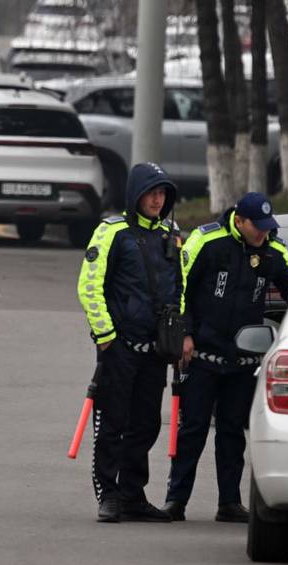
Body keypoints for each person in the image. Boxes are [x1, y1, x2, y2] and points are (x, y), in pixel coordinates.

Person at [162, 192, 288, 522]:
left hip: (244, 359)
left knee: (232, 432)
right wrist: (185, 335)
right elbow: (179, 287)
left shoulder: (273, 250)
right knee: (192, 429)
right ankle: (175, 500)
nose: (263, 234)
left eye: (268, 227)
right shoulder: (207, 240)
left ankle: (229, 503)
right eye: (258, 227)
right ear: (240, 221)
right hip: (202, 355)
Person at [77, 162, 181, 523]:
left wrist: (177, 335)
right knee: (111, 424)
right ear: (136, 194)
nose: (157, 199)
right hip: (118, 349)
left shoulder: (170, 234)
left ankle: (132, 494)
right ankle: (108, 495)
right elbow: (88, 285)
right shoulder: (111, 231)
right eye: (151, 192)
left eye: (162, 192)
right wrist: (106, 337)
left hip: (155, 352)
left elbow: (177, 291)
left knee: (147, 424)